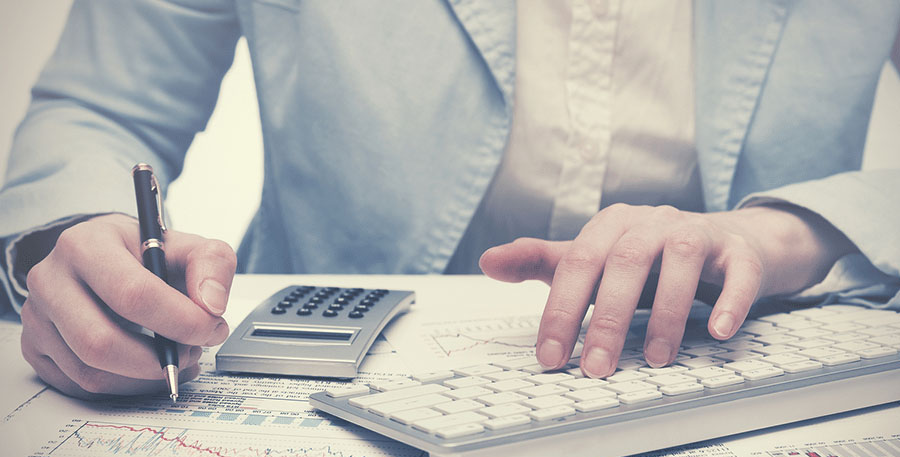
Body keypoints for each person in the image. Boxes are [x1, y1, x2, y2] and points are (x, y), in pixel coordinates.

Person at [1, 0, 898, 400]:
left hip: (735, 378)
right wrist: (69, 234)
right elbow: (100, 107)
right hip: (311, 393)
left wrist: (796, 231)